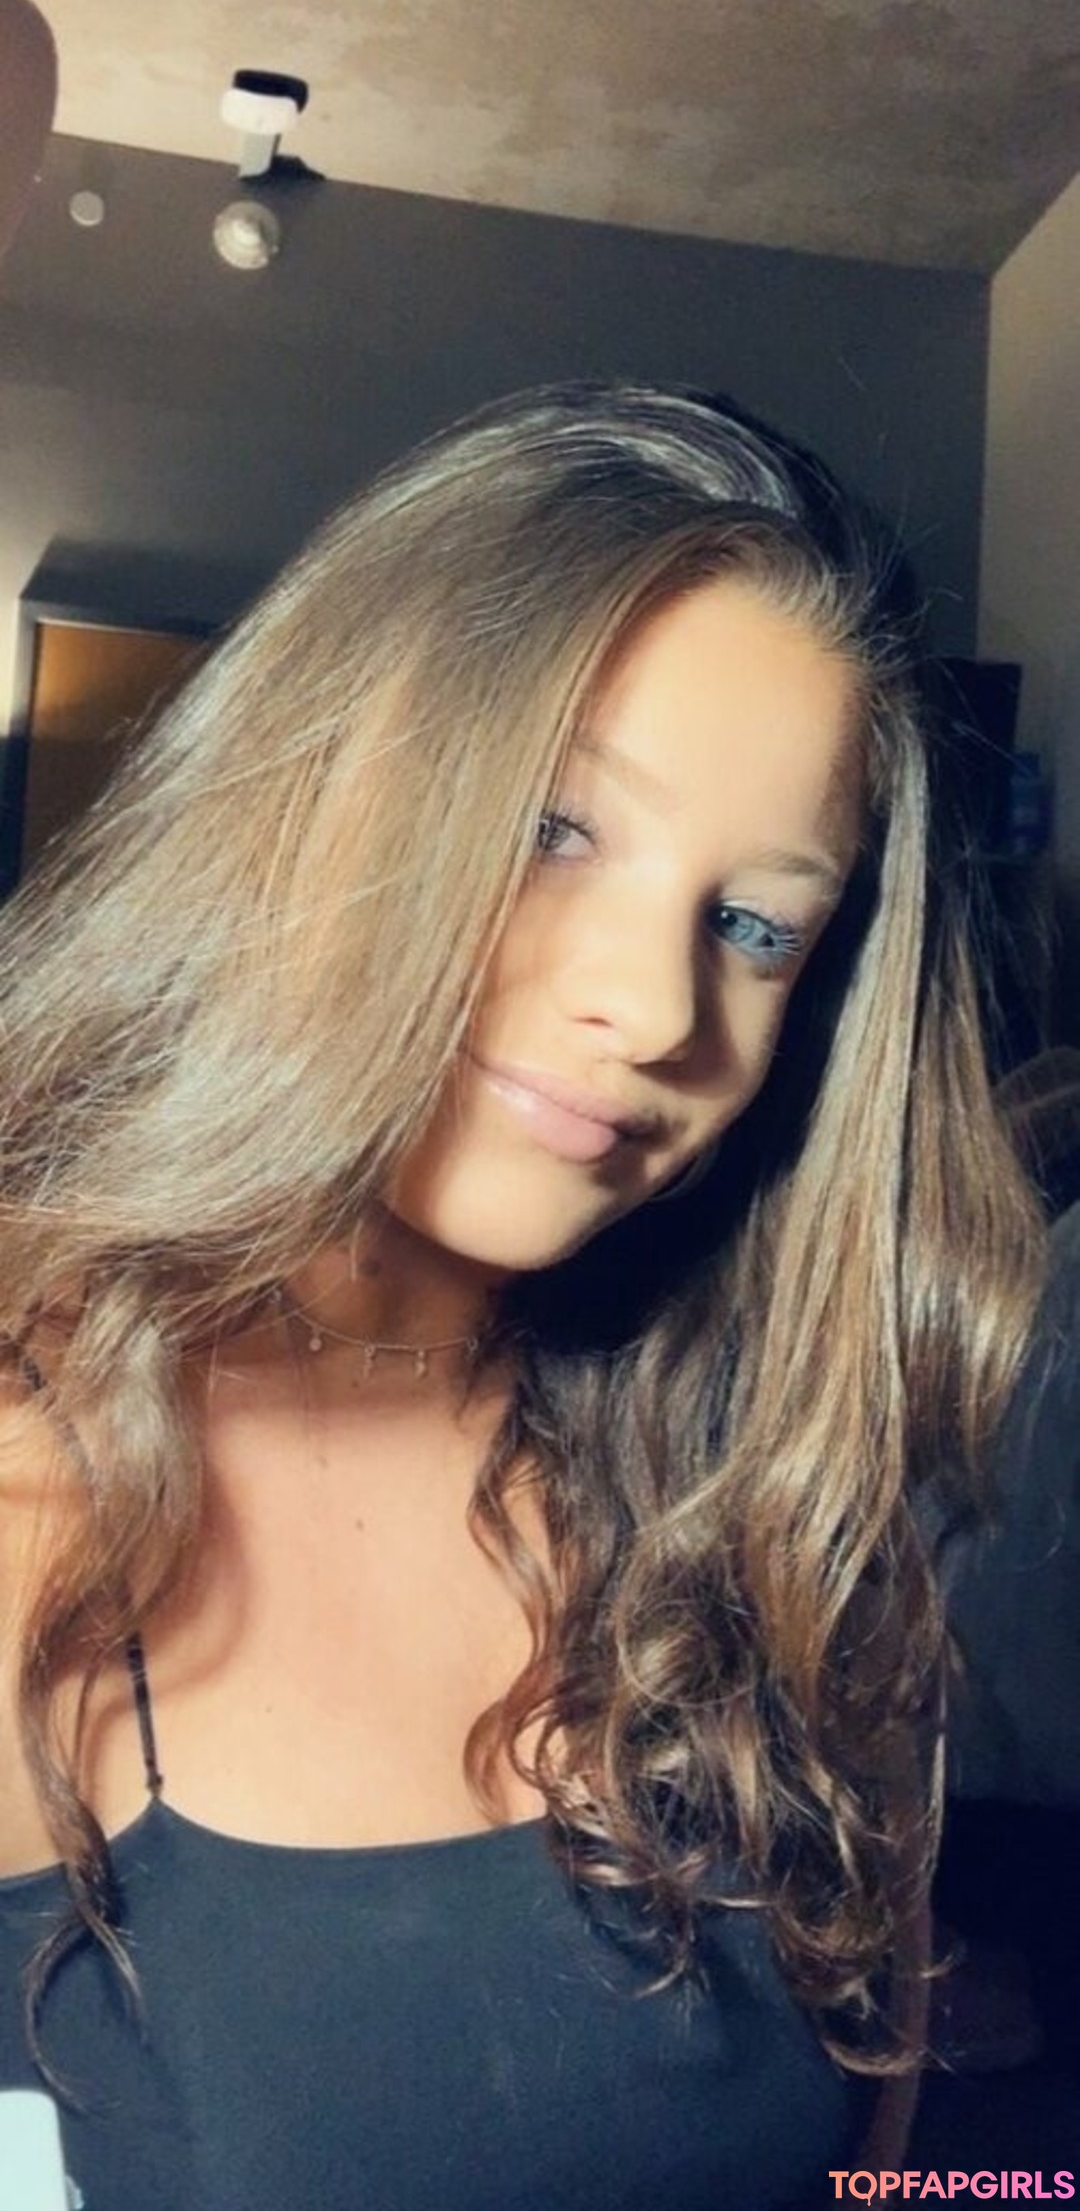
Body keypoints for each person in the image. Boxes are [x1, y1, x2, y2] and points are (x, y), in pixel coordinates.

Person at [0, 382, 1041, 2210]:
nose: (655, 1006)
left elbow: (871, 2136)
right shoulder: (33, 1489)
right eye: (557, 825)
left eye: (756, 924)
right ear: (316, 784)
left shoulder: (773, 1501)